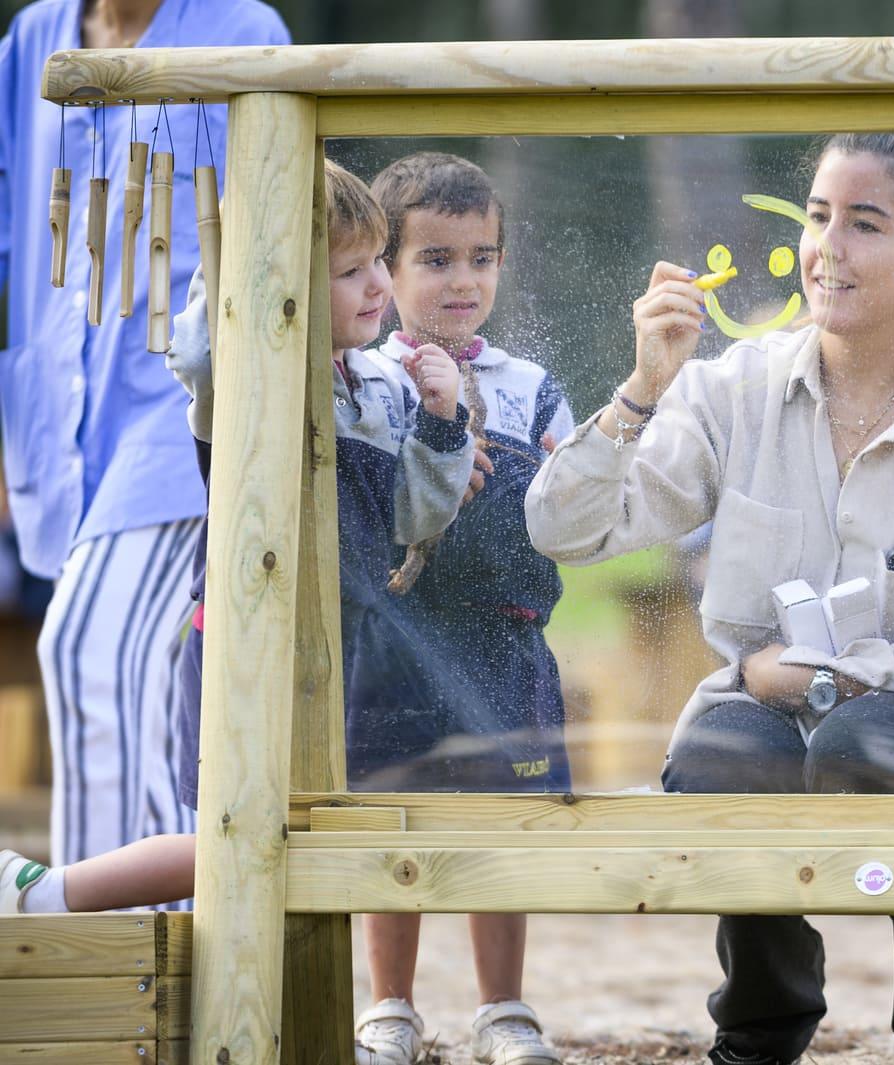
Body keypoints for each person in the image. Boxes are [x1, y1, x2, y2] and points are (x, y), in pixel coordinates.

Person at [525, 132, 894, 1065]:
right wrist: (644, 386)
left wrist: (819, 680)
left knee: (864, 738)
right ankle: (760, 1027)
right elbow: (568, 530)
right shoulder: (732, 389)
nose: (826, 248)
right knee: (717, 751)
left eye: (864, 223)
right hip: (756, 714)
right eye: (816, 216)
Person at [2, 163, 473, 952]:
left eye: (381, 262)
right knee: (239, 837)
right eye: (350, 270)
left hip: (346, 650)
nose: (379, 287)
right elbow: (198, 350)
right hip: (247, 643)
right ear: (280, 281)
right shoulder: (248, 375)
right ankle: (51, 891)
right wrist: (242, 250)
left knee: (309, 840)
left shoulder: (384, 385)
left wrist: (442, 425)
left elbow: (414, 517)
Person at [0, 0, 290, 874]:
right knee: (150, 695)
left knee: (91, 648)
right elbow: (17, 232)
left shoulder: (246, 34)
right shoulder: (30, 40)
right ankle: (170, 937)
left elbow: (276, 237)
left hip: (185, 410)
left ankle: (99, 932)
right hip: (59, 419)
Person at [353, 151, 571, 1065]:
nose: (463, 279)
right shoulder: (366, 381)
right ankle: (390, 1004)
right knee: (390, 816)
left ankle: (503, 1006)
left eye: (482, 257)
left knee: (500, 825)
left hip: (503, 639)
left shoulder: (528, 384)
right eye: (436, 259)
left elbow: (575, 490)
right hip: (397, 640)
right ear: (385, 271)